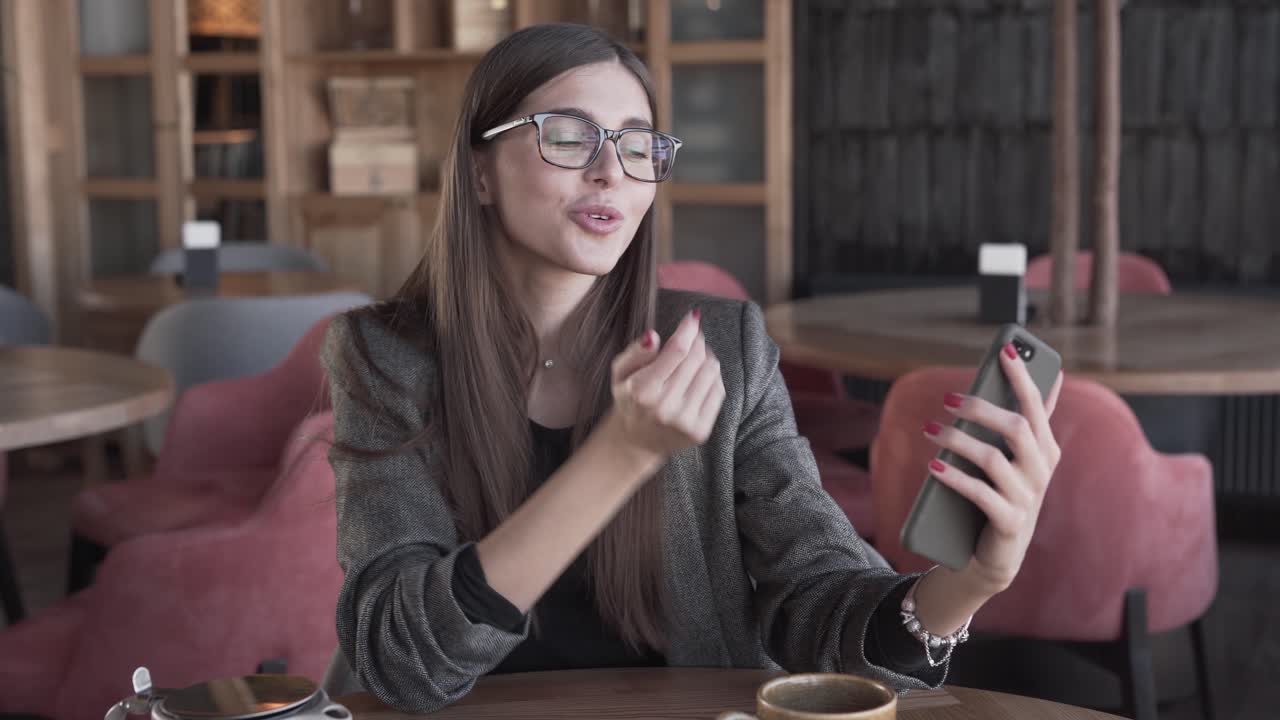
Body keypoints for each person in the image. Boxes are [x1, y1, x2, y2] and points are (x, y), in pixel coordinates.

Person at [319, 22, 1064, 714]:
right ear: (479, 173)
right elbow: (401, 659)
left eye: (637, 146)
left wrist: (968, 584)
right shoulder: (383, 359)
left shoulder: (725, 345)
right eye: (569, 137)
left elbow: (817, 593)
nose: (611, 172)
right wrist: (620, 455)